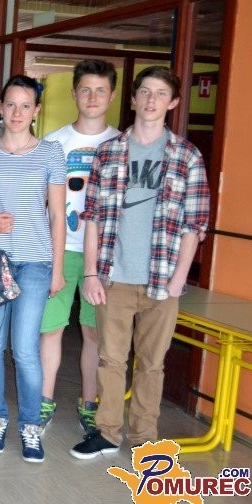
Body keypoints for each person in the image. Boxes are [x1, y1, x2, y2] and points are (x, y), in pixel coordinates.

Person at [71, 66, 210, 459]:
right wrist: (91, 273)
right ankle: (107, 433)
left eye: (161, 93)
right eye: (145, 92)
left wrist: (178, 279)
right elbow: (93, 217)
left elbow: (194, 223)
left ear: (173, 102)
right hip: (113, 277)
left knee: (151, 364)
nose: (151, 100)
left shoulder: (186, 156)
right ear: (133, 98)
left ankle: (145, 438)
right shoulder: (109, 152)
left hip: (162, 280)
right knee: (110, 360)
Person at [0, 74, 66, 464]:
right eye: (10, 104)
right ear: (0, 107)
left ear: (36, 110)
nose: (17, 112)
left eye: (25, 105)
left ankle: (30, 426)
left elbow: (58, 216)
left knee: (26, 350)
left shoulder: (50, 153)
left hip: (35, 263)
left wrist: (58, 269)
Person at [39, 60, 121, 436]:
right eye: (85, 89)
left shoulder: (122, 145)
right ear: (74, 93)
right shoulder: (54, 142)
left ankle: (89, 403)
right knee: (50, 330)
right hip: (58, 249)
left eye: (100, 90)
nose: (92, 97)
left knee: (94, 334)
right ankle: (43, 401)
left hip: (104, 258)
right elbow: (39, 199)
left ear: (112, 95)